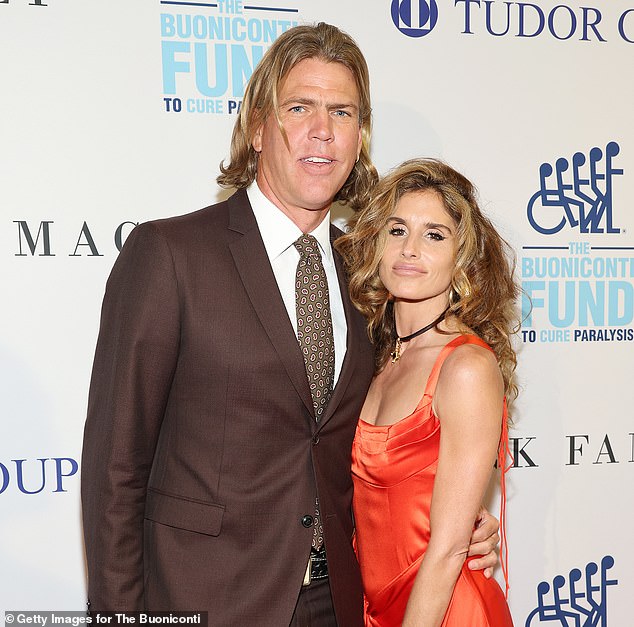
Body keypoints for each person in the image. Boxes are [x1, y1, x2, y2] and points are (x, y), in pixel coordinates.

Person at [81, 24, 499, 626]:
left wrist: (459, 521)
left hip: (341, 605)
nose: (322, 129)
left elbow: (391, 436)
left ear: (360, 138)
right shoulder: (170, 254)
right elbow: (115, 469)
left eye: (343, 112)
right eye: (299, 107)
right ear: (257, 127)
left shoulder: (372, 275)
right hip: (205, 602)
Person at [336, 158, 518, 626]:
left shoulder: (465, 367)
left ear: (462, 257)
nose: (410, 249)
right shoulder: (370, 354)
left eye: (434, 235)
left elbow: (449, 547)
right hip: (372, 607)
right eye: (397, 231)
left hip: (443, 609)